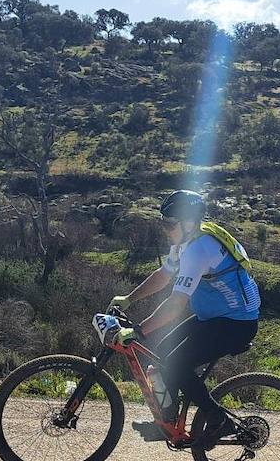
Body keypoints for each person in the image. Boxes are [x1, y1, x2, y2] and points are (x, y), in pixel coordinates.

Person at [108, 190, 261, 443]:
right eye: (163, 222)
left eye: (169, 223)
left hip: (236, 323)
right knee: (159, 358)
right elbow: (163, 275)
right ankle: (167, 421)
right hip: (212, 316)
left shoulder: (199, 250)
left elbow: (176, 304)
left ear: (188, 222)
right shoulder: (185, 242)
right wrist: (129, 298)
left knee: (176, 365)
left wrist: (138, 330)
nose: (165, 229)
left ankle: (218, 420)